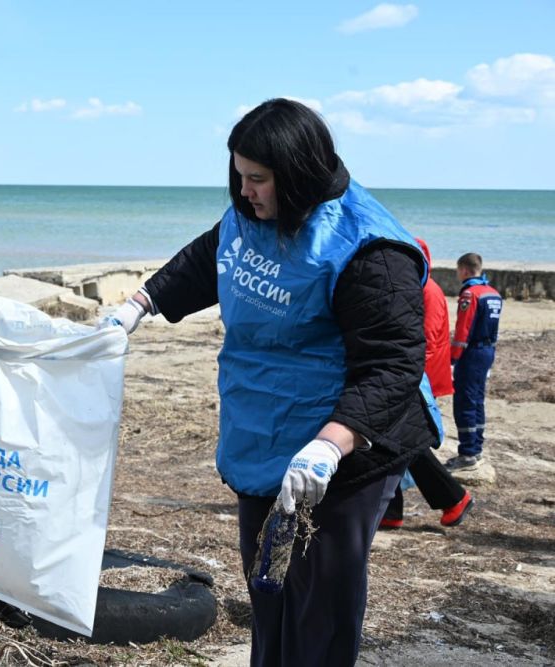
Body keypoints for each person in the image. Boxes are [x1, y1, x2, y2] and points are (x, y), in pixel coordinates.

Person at [103, 98, 443, 666]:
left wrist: (331, 445)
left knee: (319, 604)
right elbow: (208, 256)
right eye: (238, 177)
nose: (244, 193)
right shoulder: (248, 215)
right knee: (268, 583)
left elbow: (393, 365)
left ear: (299, 175)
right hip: (262, 435)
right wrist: (139, 304)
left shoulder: (369, 250)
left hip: (342, 452)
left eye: (257, 180)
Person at [379, 239, 473, 529]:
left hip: (416, 378)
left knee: (406, 439)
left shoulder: (427, 290)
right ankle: (391, 510)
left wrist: (409, 376)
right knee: (390, 439)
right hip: (407, 374)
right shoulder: (413, 286)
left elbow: (428, 339)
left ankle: (453, 497)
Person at [447, 252, 503, 471]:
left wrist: (453, 359)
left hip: (471, 354)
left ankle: (468, 454)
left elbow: (463, 331)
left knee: (465, 402)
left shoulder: (470, 295)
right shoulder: (494, 293)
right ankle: (476, 448)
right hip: (488, 351)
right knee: (478, 400)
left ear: (464, 270)